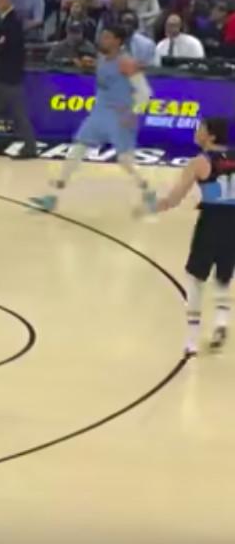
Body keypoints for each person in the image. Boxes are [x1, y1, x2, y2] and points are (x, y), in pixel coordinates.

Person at [30, 28, 157, 213]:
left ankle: (149, 190)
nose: (102, 40)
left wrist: (132, 112)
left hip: (120, 115)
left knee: (125, 161)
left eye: (107, 37)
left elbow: (145, 92)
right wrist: (87, 64)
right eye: (102, 36)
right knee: (77, 149)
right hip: (99, 113)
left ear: (117, 41)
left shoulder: (126, 62)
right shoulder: (102, 59)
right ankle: (53, 196)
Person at [146, 117, 234, 355]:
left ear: (211, 136)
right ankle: (221, 322)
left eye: (201, 129)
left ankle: (192, 340)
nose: (197, 133)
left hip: (211, 222)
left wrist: (153, 206)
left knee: (195, 278)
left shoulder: (200, 162)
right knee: (224, 275)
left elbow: (174, 199)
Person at [0, 0, 38, 158]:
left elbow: (5, 46)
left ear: (6, 0)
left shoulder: (12, 21)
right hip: (4, 76)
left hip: (9, 77)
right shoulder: (4, 20)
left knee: (17, 114)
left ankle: (30, 147)